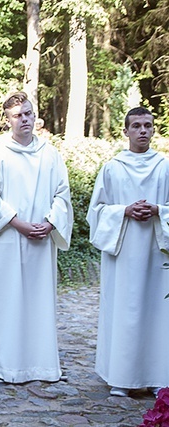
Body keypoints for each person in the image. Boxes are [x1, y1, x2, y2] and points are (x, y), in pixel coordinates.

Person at [0, 91, 73, 384]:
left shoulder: (50, 153)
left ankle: (40, 366)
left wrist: (51, 222)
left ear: (35, 115)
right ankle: (1, 365)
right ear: (8, 120)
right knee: (6, 302)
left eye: (28, 113)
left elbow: (62, 194)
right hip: (7, 240)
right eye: (18, 115)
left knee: (38, 302)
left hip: (40, 241)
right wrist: (18, 224)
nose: (25, 120)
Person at [87, 107, 169, 398]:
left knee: (158, 313)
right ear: (125, 131)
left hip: (158, 254)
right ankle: (121, 377)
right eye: (136, 126)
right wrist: (124, 210)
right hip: (122, 254)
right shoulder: (113, 167)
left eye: (148, 125)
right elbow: (96, 212)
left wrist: (158, 210)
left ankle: (159, 376)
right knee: (124, 310)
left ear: (154, 129)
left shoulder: (165, 166)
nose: (143, 131)